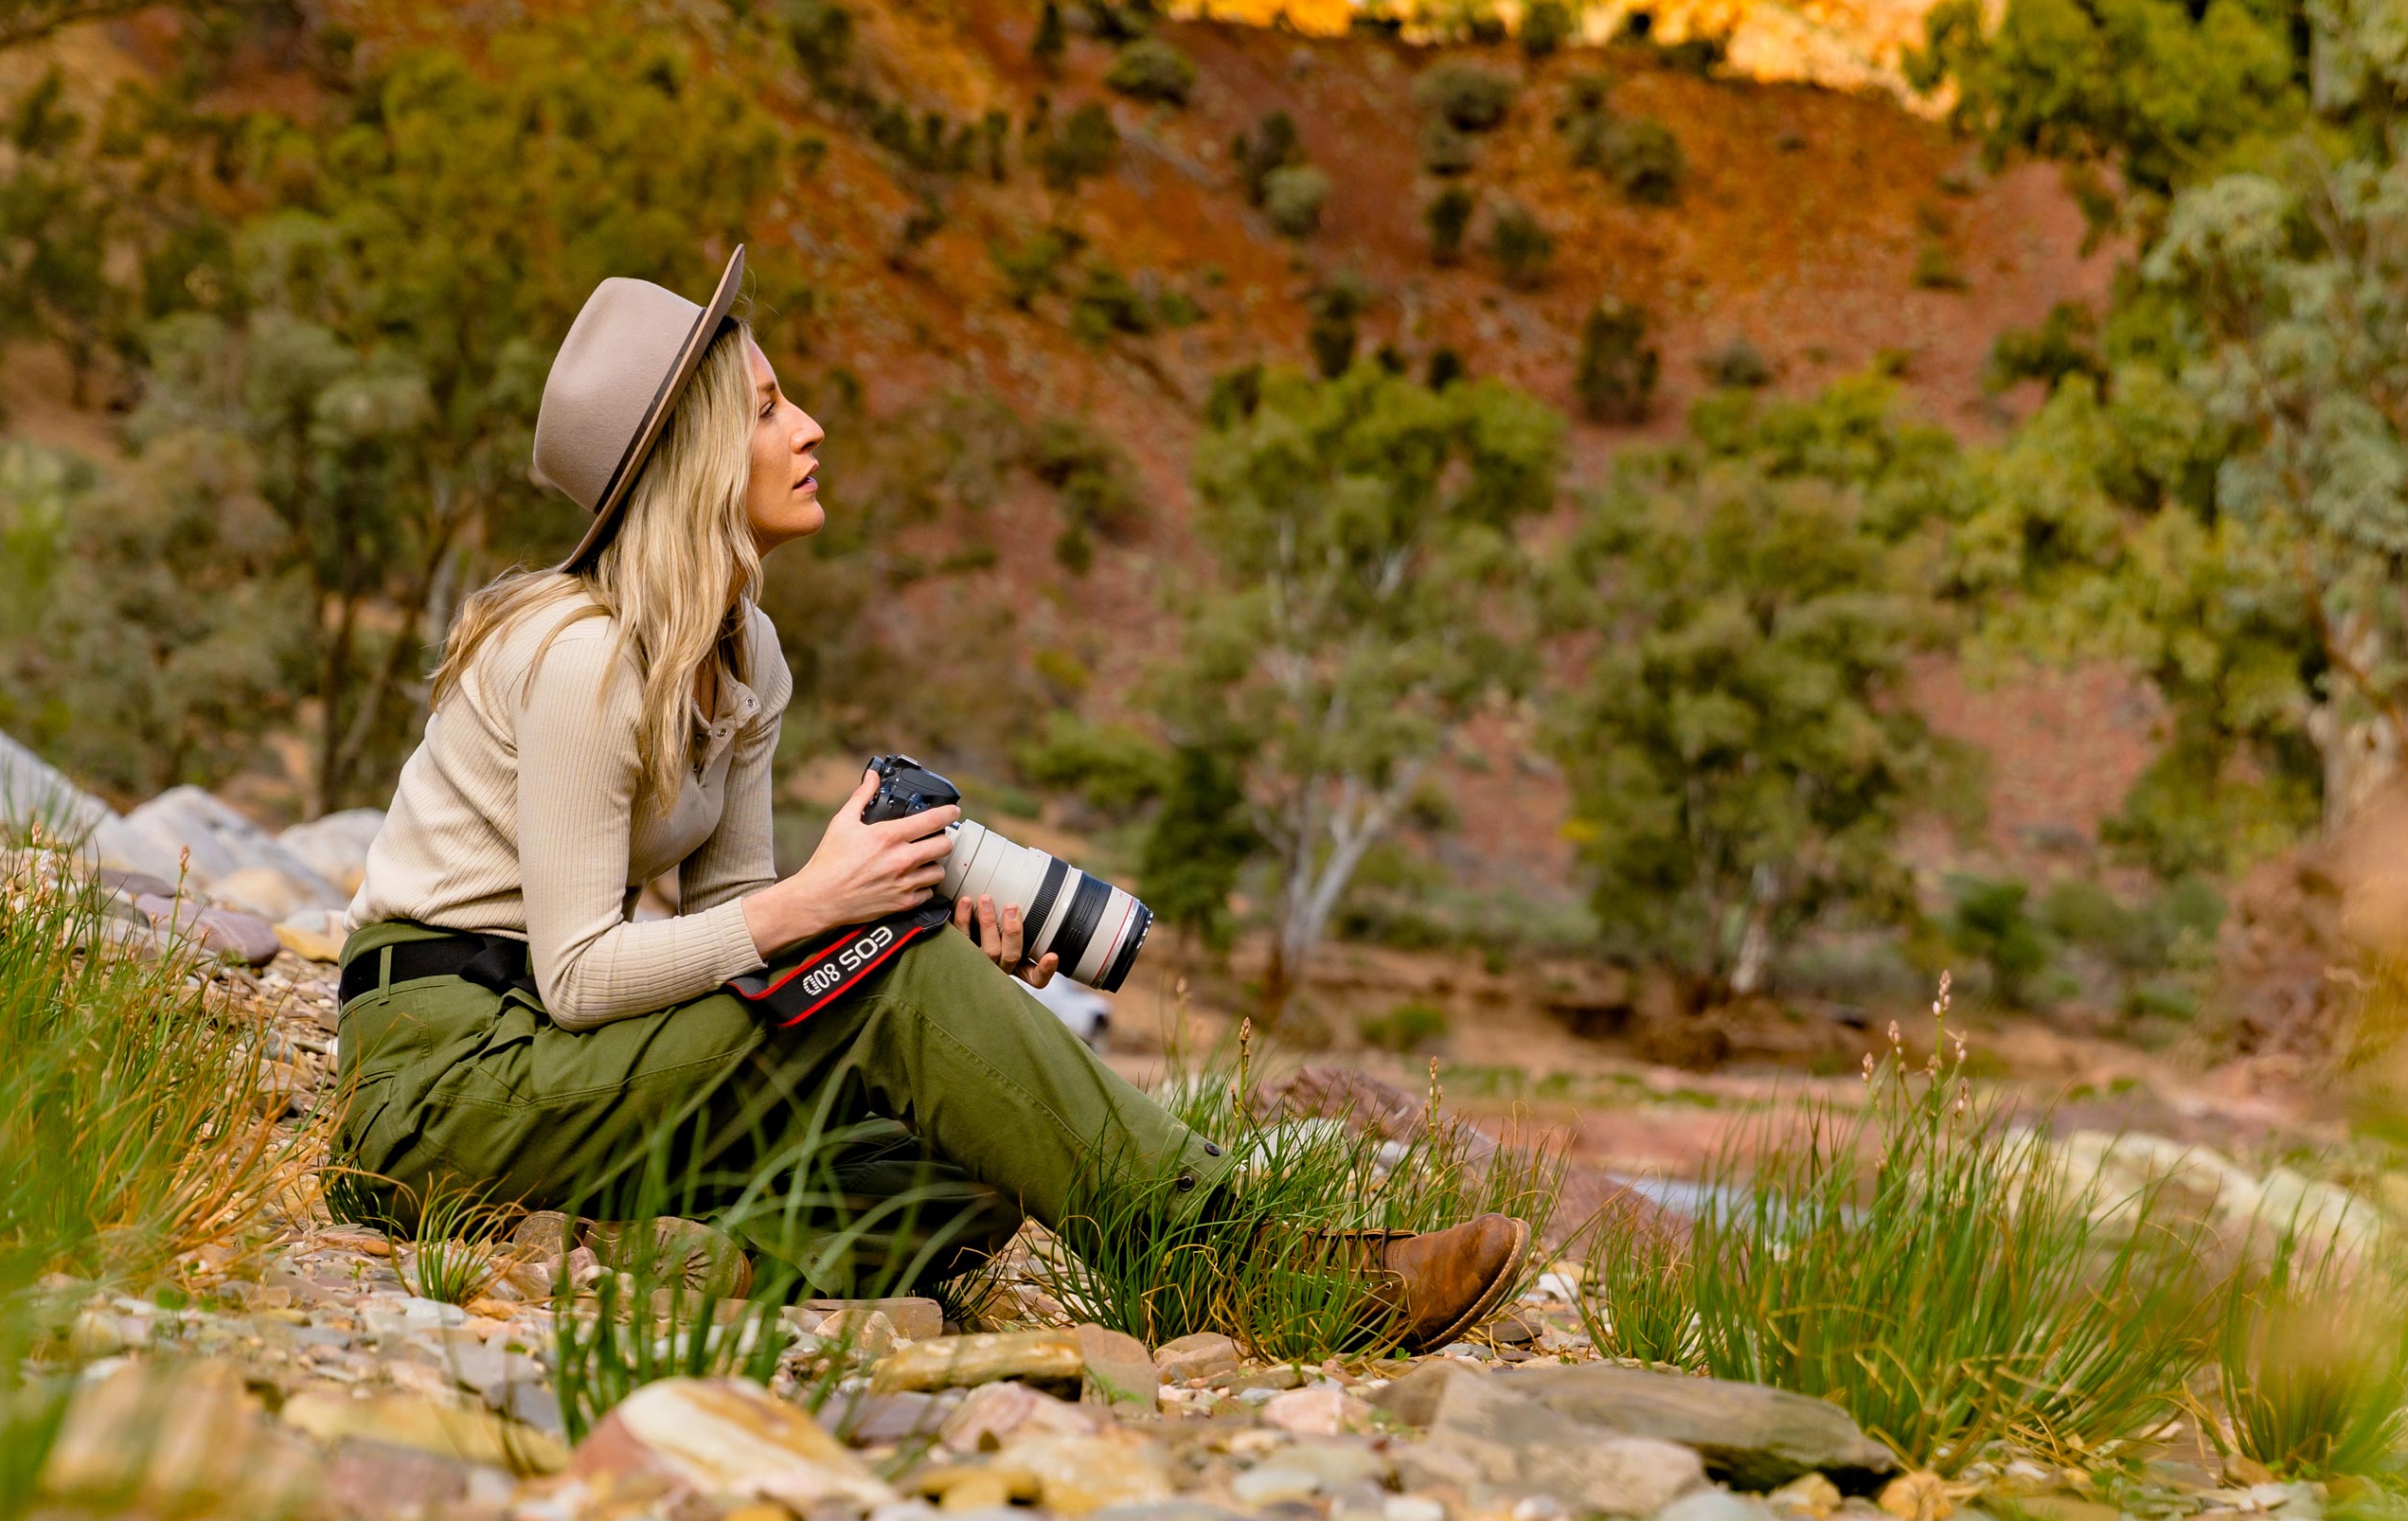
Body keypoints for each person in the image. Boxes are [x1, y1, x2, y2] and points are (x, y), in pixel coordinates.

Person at [333, 248, 1527, 1350]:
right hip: (445, 1087)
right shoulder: (583, 656)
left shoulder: (743, 653)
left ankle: (704, 1259)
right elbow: (583, 974)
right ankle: (1248, 1266)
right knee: (885, 975)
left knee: (979, 1144)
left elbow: (734, 925)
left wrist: (930, 958)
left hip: (566, 1069)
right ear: (692, 458)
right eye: (765, 409)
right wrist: (841, 922)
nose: (808, 426)